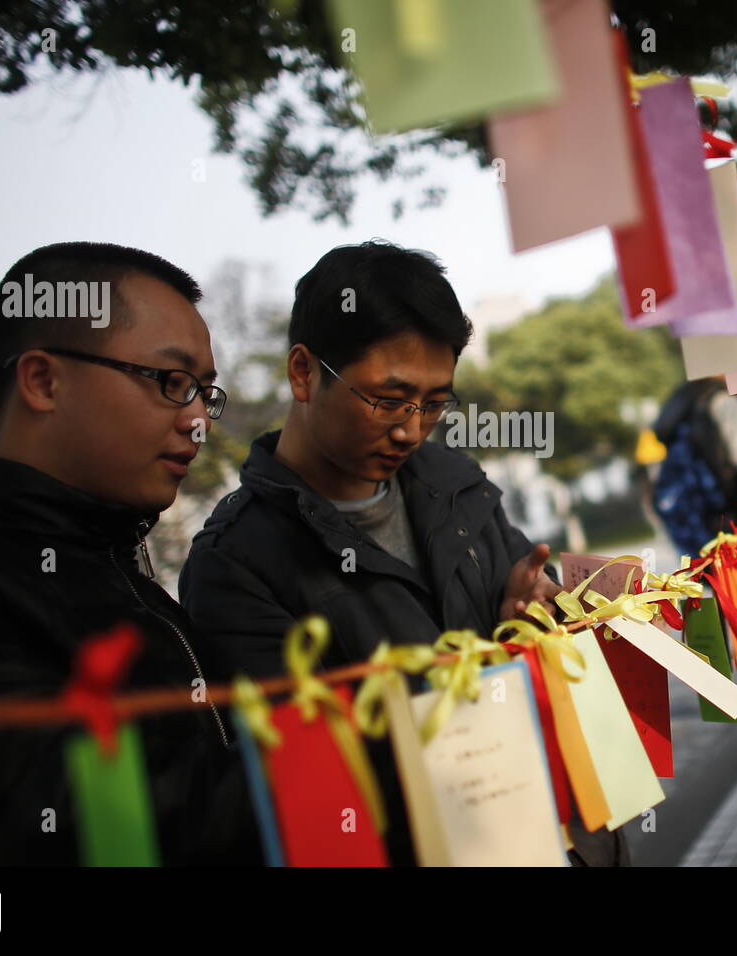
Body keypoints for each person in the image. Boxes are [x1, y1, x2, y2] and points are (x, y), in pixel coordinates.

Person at [179, 240, 627, 866]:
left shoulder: (450, 480)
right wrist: (492, 672)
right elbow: (318, 788)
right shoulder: (237, 564)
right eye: (388, 400)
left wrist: (543, 615)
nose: (411, 429)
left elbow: (530, 593)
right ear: (304, 372)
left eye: (436, 403)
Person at [0, 241, 260, 865]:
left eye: (207, 392)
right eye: (173, 384)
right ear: (43, 380)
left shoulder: (131, 583)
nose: (199, 421)